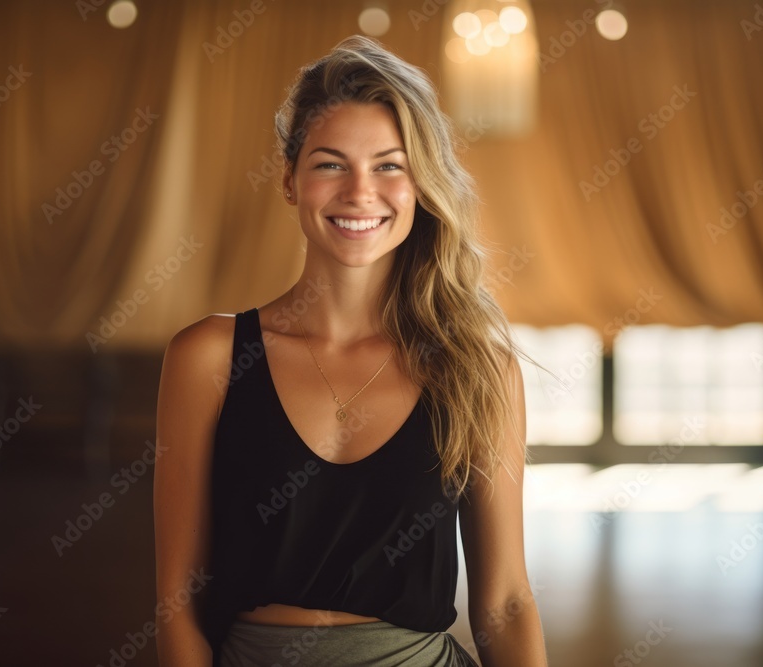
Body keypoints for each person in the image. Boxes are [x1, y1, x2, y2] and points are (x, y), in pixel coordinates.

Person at [153, 35, 548, 667]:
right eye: (331, 164)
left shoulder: (477, 369)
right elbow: (177, 603)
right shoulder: (209, 356)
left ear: (422, 185)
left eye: (390, 165)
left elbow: (504, 603)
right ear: (290, 180)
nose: (360, 193)